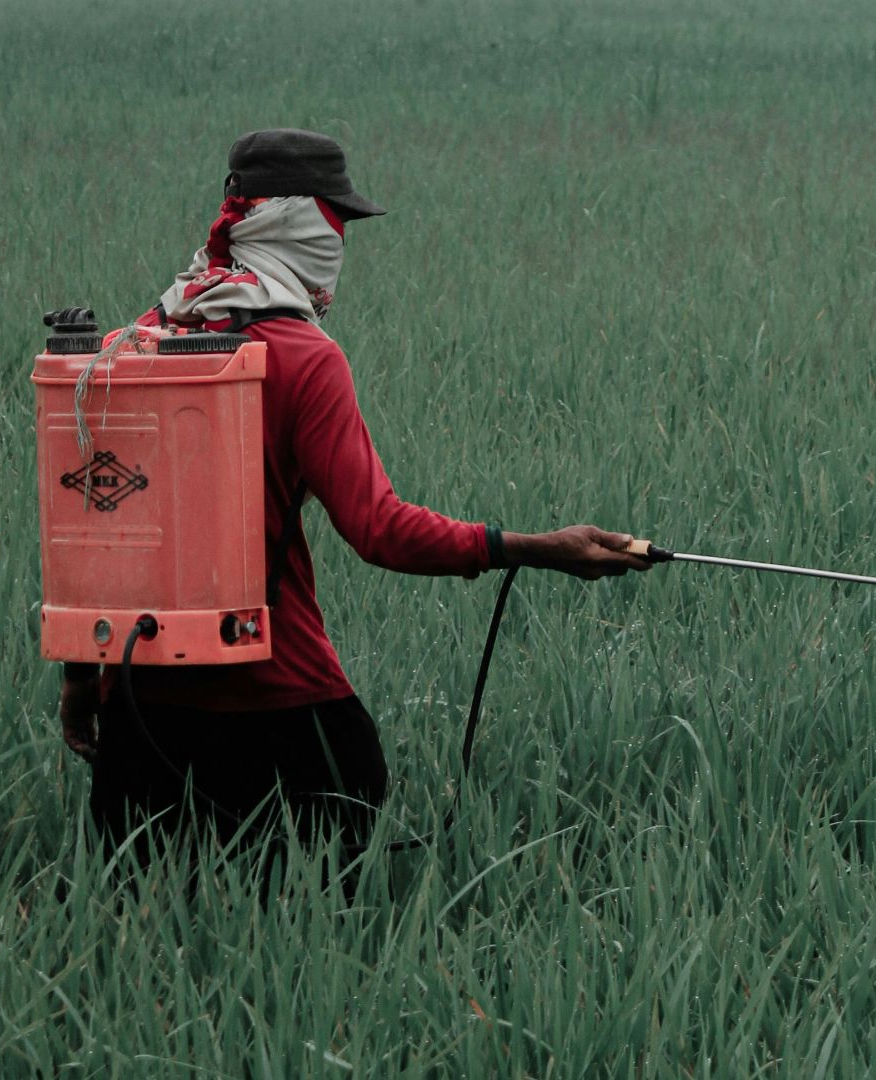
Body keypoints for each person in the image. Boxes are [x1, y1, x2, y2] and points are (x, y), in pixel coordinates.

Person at [57, 129, 650, 862]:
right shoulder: (307, 359)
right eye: (337, 222)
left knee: (147, 937)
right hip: (279, 703)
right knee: (314, 937)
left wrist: (83, 680)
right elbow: (381, 531)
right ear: (302, 223)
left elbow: (91, 531)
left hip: (140, 710)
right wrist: (535, 548)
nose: (341, 243)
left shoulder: (138, 339)